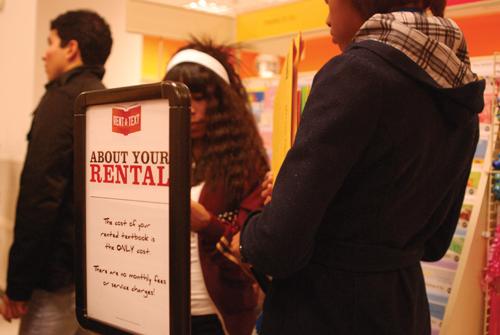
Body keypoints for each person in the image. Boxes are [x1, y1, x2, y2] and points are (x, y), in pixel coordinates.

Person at [238, 0, 485, 334]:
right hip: (403, 308)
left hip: (325, 311)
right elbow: (435, 243)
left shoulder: (354, 74)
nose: (326, 18)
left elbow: (278, 247)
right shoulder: (461, 95)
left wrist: (248, 234)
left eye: (328, 2)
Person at [1, 10, 112, 334]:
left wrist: (18, 286)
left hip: (54, 279)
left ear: (71, 48)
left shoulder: (61, 101)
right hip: (92, 274)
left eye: (50, 42)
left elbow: (39, 198)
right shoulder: (104, 100)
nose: (43, 53)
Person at [163, 40, 270, 335]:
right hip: (159, 308)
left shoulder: (246, 164)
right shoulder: (157, 154)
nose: (191, 110)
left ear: (220, 103)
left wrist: (207, 224)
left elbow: (251, 251)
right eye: (182, 97)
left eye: (199, 98)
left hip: (217, 314)